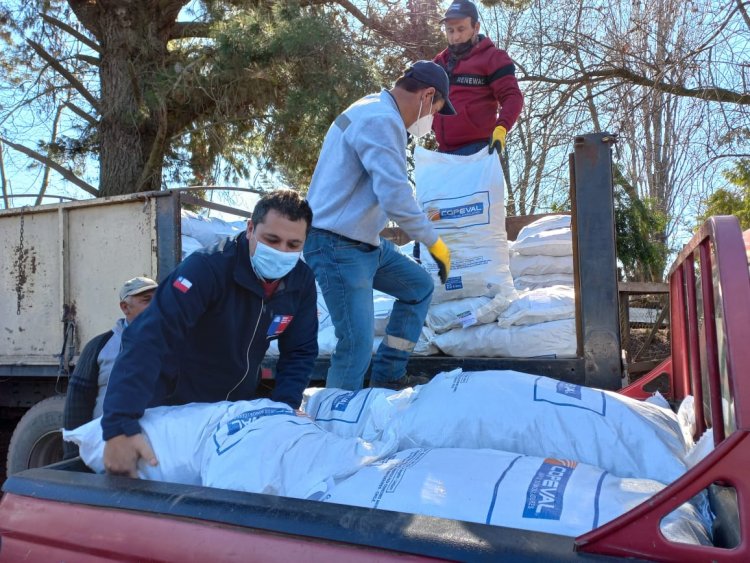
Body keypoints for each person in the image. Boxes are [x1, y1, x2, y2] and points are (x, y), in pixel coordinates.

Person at [101, 190, 318, 477]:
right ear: (250, 228)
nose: (282, 252)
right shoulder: (208, 269)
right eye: (272, 240)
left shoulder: (300, 282)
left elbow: (299, 350)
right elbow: (150, 336)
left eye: (294, 244)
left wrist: (282, 409)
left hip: (231, 411)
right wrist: (119, 425)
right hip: (173, 407)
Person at [304, 60, 454, 392]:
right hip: (336, 243)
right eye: (436, 112)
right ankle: (334, 429)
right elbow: (394, 195)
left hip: (362, 242)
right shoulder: (382, 119)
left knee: (418, 287)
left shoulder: (373, 110)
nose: (430, 124)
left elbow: (386, 187)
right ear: (427, 95)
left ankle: (388, 376)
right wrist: (435, 243)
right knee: (355, 346)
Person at [62, 276, 158, 459]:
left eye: (158, 299)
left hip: (155, 450)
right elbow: (77, 403)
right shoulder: (100, 346)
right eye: (147, 300)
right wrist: (74, 455)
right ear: (125, 307)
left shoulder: (172, 342)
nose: (156, 306)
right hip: (108, 450)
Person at [432, 0, 524, 155]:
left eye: (461, 29)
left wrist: (501, 127)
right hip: (443, 153)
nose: (455, 36)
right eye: (450, 30)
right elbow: (419, 97)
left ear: (476, 27)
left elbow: (512, 96)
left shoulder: (493, 58)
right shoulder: (439, 62)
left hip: (476, 150)